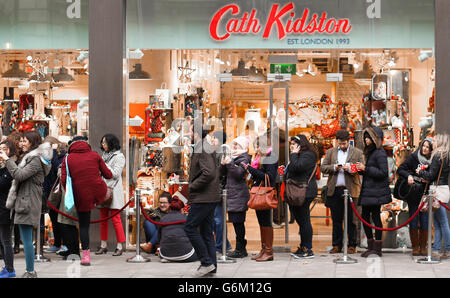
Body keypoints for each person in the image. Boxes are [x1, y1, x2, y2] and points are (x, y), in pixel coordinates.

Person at [2, 131, 53, 278]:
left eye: (25, 141)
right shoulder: (31, 158)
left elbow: (20, 175)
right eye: (21, 141)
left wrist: (7, 160)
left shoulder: (35, 159)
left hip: (28, 201)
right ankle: (29, 270)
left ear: (33, 142)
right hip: (26, 199)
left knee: (26, 239)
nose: (21, 143)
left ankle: (30, 271)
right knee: (26, 238)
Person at [61, 136, 113, 266]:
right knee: (85, 225)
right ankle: (86, 257)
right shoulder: (94, 155)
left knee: (74, 224)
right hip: (94, 193)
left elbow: (63, 179)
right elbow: (108, 174)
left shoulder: (68, 158)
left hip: (76, 194)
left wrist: (70, 194)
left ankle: (74, 251)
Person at [184, 128, 220, 277]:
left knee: (190, 227)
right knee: (206, 231)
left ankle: (206, 262)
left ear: (197, 134)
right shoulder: (205, 146)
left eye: (191, 132)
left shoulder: (202, 148)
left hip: (203, 197)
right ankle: (211, 266)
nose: (189, 134)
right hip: (208, 196)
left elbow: (209, 172)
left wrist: (192, 186)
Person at [321, 129, 364, 254]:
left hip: (351, 189)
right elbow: (323, 167)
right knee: (336, 219)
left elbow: (362, 167)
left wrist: (350, 168)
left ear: (349, 141)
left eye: (344, 144)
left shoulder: (357, 152)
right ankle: (336, 245)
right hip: (335, 190)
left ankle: (352, 245)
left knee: (351, 220)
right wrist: (334, 167)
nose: (342, 146)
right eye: (340, 144)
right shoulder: (331, 152)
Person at [356, 126, 392, 258]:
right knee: (365, 217)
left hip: (375, 191)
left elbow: (383, 173)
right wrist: (359, 169)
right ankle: (371, 246)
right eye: (365, 137)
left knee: (375, 217)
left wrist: (365, 168)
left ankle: (377, 248)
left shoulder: (379, 152)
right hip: (369, 190)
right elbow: (370, 171)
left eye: (368, 137)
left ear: (374, 138)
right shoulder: (370, 152)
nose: (366, 139)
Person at [243, 133, 278, 261]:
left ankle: (268, 251)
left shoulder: (271, 157)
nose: (256, 149)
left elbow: (269, 176)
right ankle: (263, 249)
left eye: (258, 146)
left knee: (266, 222)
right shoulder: (261, 157)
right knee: (262, 222)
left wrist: (251, 169)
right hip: (259, 192)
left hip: (265, 193)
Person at [397, 138, 433, 256]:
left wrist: (427, 177)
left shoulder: (433, 160)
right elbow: (400, 169)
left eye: (427, 147)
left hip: (426, 194)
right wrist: (408, 176)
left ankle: (423, 246)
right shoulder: (414, 157)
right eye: (423, 146)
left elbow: (434, 175)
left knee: (424, 220)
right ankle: (415, 247)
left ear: (431, 149)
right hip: (413, 194)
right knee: (413, 219)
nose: (424, 148)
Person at [417, 133, 450, 260]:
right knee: (437, 222)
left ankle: (447, 248)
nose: (433, 143)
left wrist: (421, 171)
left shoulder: (437, 155)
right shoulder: (447, 156)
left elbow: (431, 176)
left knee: (441, 222)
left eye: (435, 140)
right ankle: (436, 249)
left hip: (437, 191)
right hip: (444, 189)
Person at [286, 134, 318, 259]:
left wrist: (294, 154)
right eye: (291, 144)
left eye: (294, 144)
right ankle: (303, 246)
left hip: (304, 192)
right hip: (297, 191)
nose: (291, 147)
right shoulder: (300, 155)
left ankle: (307, 249)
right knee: (300, 219)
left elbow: (298, 167)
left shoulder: (308, 155)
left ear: (301, 145)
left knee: (304, 220)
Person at [96, 134, 126, 256]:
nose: (103, 145)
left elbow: (115, 174)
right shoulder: (104, 156)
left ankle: (120, 246)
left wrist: (103, 165)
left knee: (116, 219)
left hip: (114, 190)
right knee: (103, 219)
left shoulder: (119, 156)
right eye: (102, 142)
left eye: (105, 143)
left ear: (111, 143)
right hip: (103, 190)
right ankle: (103, 245)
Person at [221, 136, 251, 259]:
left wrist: (230, 163)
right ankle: (240, 248)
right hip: (233, 195)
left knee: (238, 222)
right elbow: (225, 173)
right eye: (233, 144)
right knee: (236, 222)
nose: (234, 147)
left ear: (243, 147)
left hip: (238, 195)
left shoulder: (244, 158)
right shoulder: (235, 158)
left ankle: (241, 249)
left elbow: (238, 174)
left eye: (236, 145)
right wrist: (224, 164)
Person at [42, 136, 68, 256]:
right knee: (53, 218)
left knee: (61, 219)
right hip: (50, 191)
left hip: (59, 191)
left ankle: (63, 243)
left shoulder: (62, 155)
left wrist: (52, 152)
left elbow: (57, 168)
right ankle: (57, 243)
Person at [159, 197, 198, 263]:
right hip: (186, 254)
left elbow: (159, 236)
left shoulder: (163, 219)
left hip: (165, 254)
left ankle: (171, 259)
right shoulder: (186, 218)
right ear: (182, 209)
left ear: (170, 208)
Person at [211, 131, 232, 253]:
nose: (212, 140)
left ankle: (220, 246)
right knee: (216, 219)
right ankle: (225, 244)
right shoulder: (215, 152)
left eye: (213, 138)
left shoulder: (221, 151)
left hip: (220, 190)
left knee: (218, 220)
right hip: (216, 189)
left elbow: (221, 172)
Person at [0, 141, 17, 277]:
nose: (1, 152)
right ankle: (6, 267)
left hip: (5, 208)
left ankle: (10, 269)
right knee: (1, 240)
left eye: (4, 149)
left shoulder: (10, 168)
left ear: (10, 151)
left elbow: (3, 184)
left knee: (6, 240)